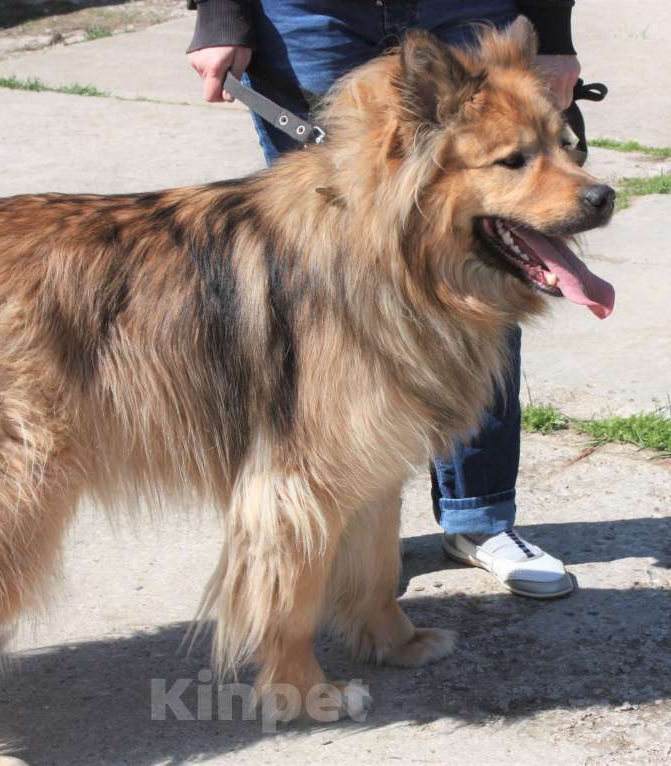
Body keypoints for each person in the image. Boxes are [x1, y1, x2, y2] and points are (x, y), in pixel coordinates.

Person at [186, 0, 580, 599]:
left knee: (481, 277)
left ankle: (480, 516)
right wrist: (222, 13)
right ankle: (339, 539)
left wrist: (551, 26)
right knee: (325, 292)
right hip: (311, 14)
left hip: (463, 5)